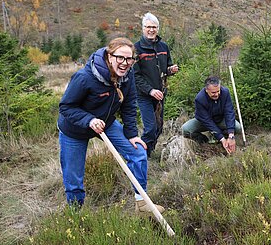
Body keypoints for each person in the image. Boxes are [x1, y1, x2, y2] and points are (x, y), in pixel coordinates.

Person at [58, 37, 164, 215]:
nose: (125, 63)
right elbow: (66, 107)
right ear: (109, 56)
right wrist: (89, 120)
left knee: (138, 152)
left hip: (105, 123)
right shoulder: (85, 77)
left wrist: (131, 134)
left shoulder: (127, 75)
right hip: (74, 130)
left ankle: (142, 203)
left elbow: (129, 105)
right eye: (120, 58)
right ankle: (75, 214)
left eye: (129, 59)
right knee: (74, 176)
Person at [134, 13, 179, 158]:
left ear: (158, 29)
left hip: (160, 95)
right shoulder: (136, 49)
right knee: (150, 128)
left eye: (154, 27)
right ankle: (140, 156)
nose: (151, 30)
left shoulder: (163, 46)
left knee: (159, 127)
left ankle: (149, 152)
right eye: (148, 27)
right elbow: (135, 76)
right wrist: (150, 90)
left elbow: (166, 68)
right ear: (143, 28)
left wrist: (171, 70)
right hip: (144, 95)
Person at [182, 76, 241, 154]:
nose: (216, 94)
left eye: (218, 91)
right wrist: (221, 139)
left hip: (220, 119)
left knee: (237, 127)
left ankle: (225, 138)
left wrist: (231, 135)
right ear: (206, 90)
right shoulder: (199, 99)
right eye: (213, 92)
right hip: (204, 122)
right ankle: (204, 140)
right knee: (185, 129)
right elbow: (207, 121)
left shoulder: (225, 92)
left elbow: (229, 112)